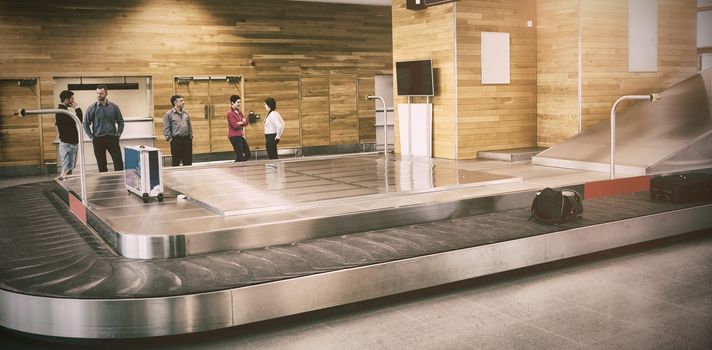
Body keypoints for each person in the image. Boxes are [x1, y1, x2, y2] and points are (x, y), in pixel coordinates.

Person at [83, 85, 124, 172]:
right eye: (97, 93)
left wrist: (118, 134)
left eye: (101, 93)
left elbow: (120, 121)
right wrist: (91, 137)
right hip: (98, 139)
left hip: (112, 138)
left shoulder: (114, 107)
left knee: (118, 162)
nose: (99, 95)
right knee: (101, 164)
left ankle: (120, 182)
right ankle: (105, 184)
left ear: (106, 93)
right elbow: (85, 124)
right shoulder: (92, 108)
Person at [55, 90, 83, 179]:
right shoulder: (62, 112)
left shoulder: (64, 111)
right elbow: (79, 120)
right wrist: (77, 108)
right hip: (68, 144)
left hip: (70, 143)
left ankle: (65, 186)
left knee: (69, 169)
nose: (73, 101)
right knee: (67, 169)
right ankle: (62, 186)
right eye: (72, 99)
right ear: (66, 100)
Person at [163, 95, 193, 166]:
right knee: (176, 161)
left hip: (187, 140)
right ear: (175, 102)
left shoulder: (186, 113)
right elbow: (166, 128)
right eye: (181, 101)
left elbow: (189, 125)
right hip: (176, 140)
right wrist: (170, 139)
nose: (183, 102)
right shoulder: (168, 114)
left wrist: (190, 137)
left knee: (188, 161)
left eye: (183, 100)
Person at [227, 95, 251, 162]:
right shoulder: (230, 113)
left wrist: (240, 123)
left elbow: (245, 122)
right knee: (240, 156)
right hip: (234, 137)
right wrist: (242, 122)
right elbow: (234, 126)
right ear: (232, 103)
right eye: (238, 102)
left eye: (240, 102)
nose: (239, 104)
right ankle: (237, 168)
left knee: (248, 154)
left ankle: (237, 165)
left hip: (240, 136)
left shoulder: (239, 112)